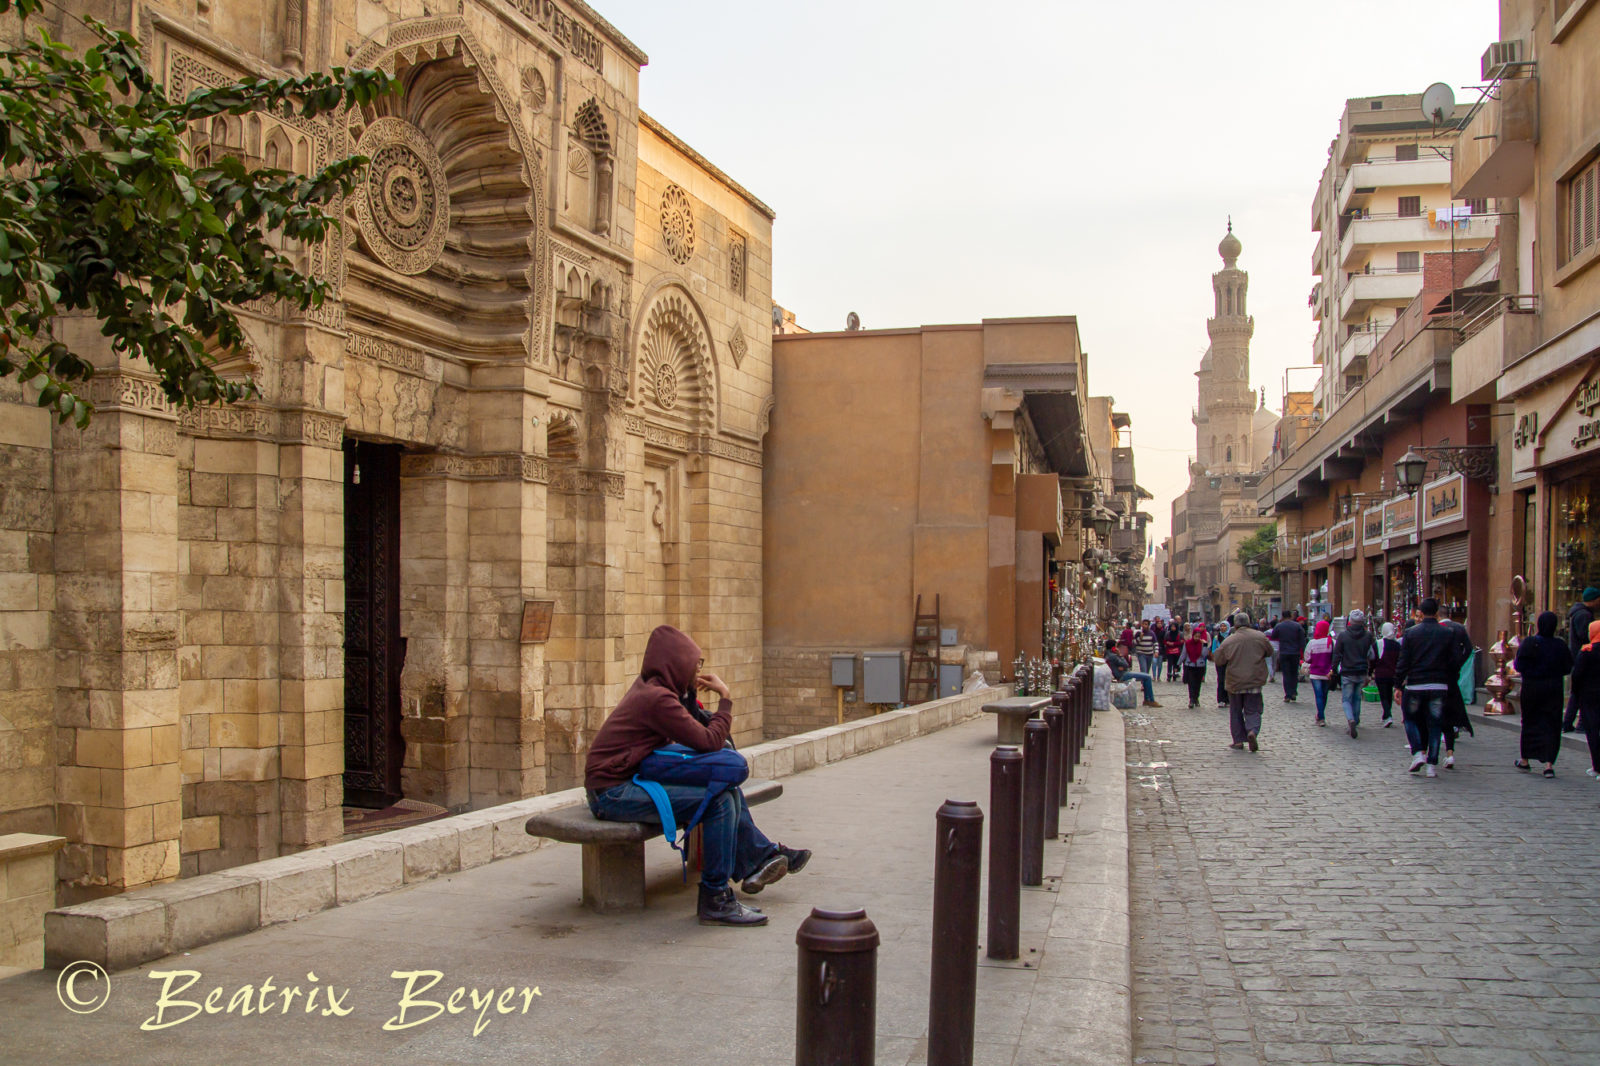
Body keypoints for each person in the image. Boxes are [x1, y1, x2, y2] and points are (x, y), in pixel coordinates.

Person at [585, 625, 810, 926]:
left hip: (628, 781)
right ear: (676, 663)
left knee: (725, 790)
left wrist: (689, 693)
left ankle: (751, 866)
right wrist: (725, 697)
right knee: (718, 801)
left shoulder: (658, 691)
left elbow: (699, 727)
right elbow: (708, 741)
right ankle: (717, 897)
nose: (698, 671)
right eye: (695, 664)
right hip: (612, 793)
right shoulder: (656, 699)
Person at [1396, 598, 1468, 778]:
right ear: (1436, 613)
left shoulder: (1411, 633)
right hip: (1438, 684)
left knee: (1410, 718)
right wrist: (1449, 672)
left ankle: (1418, 751)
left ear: (1420, 612)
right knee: (1435, 723)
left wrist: (1398, 684)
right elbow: (1456, 657)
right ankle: (1431, 765)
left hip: (1415, 684)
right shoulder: (1448, 633)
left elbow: (1403, 662)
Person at [1513, 610, 1574, 778]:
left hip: (1532, 687)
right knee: (1552, 723)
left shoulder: (1530, 643)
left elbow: (1518, 665)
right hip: (1553, 687)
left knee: (1530, 722)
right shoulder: (1560, 645)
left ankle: (1525, 759)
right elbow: (1568, 667)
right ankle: (1548, 764)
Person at [1213, 611, 1274, 752]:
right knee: (1253, 709)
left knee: (1235, 711)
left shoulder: (1229, 640)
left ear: (1235, 624)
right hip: (1254, 680)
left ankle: (1238, 740)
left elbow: (1219, 659)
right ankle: (1252, 731)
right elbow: (1270, 652)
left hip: (1235, 682)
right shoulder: (1260, 637)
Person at [1333, 608, 1376, 739]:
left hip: (1347, 670)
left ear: (1350, 621)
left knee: (1346, 699)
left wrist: (1333, 669)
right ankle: (1356, 720)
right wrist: (1370, 671)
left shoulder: (1343, 636)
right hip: (1361, 670)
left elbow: (1337, 654)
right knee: (1357, 697)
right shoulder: (1368, 636)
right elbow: (1373, 654)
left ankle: (1350, 719)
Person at [1562, 587, 1600, 732]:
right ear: (1595, 600)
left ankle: (1572, 722)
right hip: (1584, 657)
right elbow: (1586, 635)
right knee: (1581, 693)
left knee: (1578, 693)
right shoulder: (1583, 615)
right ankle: (1581, 723)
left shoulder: (1580, 613)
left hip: (1580, 657)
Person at [1572, 620, 1600, 779]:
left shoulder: (1587, 651)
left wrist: (1577, 693)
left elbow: (1577, 676)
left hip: (1589, 696)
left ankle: (1597, 766)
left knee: (1593, 732)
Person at [1105, 639, 1161, 707]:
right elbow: (1126, 664)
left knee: (1146, 677)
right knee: (1147, 677)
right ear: (1113, 647)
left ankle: (1147, 699)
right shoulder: (1113, 656)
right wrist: (1120, 655)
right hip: (1122, 675)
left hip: (1121, 673)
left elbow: (1124, 666)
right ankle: (1150, 700)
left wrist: (1123, 666)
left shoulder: (1108, 655)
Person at [1304, 619, 1336, 726]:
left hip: (1315, 674)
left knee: (1318, 695)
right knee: (1324, 695)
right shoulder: (1331, 642)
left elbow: (1307, 657)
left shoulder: (1312, 643)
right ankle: (1320, 714)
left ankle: (1321, 717)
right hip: (1327, 674)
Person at [1271, 613, 1306, 702]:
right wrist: (1303, 651)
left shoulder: (1279, 626)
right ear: (1291, 616)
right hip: (1295, 652)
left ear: (1282, 616)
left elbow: (1273, 636)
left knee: (1286, 674)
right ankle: (1293, 691)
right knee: (1294, 673)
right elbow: (1303, 639)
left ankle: (1288, 694)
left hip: (1284, 652)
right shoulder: (1297, 626)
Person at [1372, 622, 1401, 727]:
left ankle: (1387, 715)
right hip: (1393, 674)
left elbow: (1373, 659)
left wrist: (1371, 671)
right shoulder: (1397, 645)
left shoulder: (1378, 644)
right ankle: (1386, 714)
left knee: (1383, 695)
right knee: (1388, 695)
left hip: (1381, 674)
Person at [1180, 624, 1209, 708]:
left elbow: (1204, 655)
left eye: (1198, 637)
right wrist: (1177, 665)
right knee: (1191, 683)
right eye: (1195, 636)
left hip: (1200, 666)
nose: (1197, 638)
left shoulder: (1202, 644)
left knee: (1197, 684)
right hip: (1190, 665)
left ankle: (1196, 698)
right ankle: (1191, 699)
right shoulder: (1188, 643)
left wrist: (1205, 645)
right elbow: (1183, 654)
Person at [1210, 621, 1231, 707]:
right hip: (1220, 661)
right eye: (1221, 626)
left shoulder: (1230, 637)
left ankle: (1228, 699)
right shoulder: (1216, 637)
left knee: (1229, 680)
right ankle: (1221, 699)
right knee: (1221, 679)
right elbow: (1213, 649)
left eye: (1224, 626)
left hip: (1229, 660)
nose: (1222, 628)